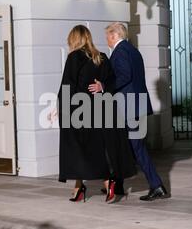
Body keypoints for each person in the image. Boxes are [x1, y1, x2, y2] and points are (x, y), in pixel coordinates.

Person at [89, 22, 171, 201]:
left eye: (107, 36)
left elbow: (124, 76)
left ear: (114, 35)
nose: (107, 40)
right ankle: (117, 185)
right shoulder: (133, 51)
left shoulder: (121, 52)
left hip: (129, 107)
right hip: (135, 106)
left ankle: (156, 186)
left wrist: (103, 86)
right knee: (123, 145)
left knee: (136, 147)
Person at [58, 25, 136, 202]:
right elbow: (112, 82)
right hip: (101, 110)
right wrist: (102, 88)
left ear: (74, 39)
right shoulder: (102, 57)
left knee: (76, 147)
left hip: (79, 111)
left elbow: (67, 85)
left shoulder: (74, 57)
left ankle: (79, 188)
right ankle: (107, 184)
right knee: (99, 148)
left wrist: (61, 107)